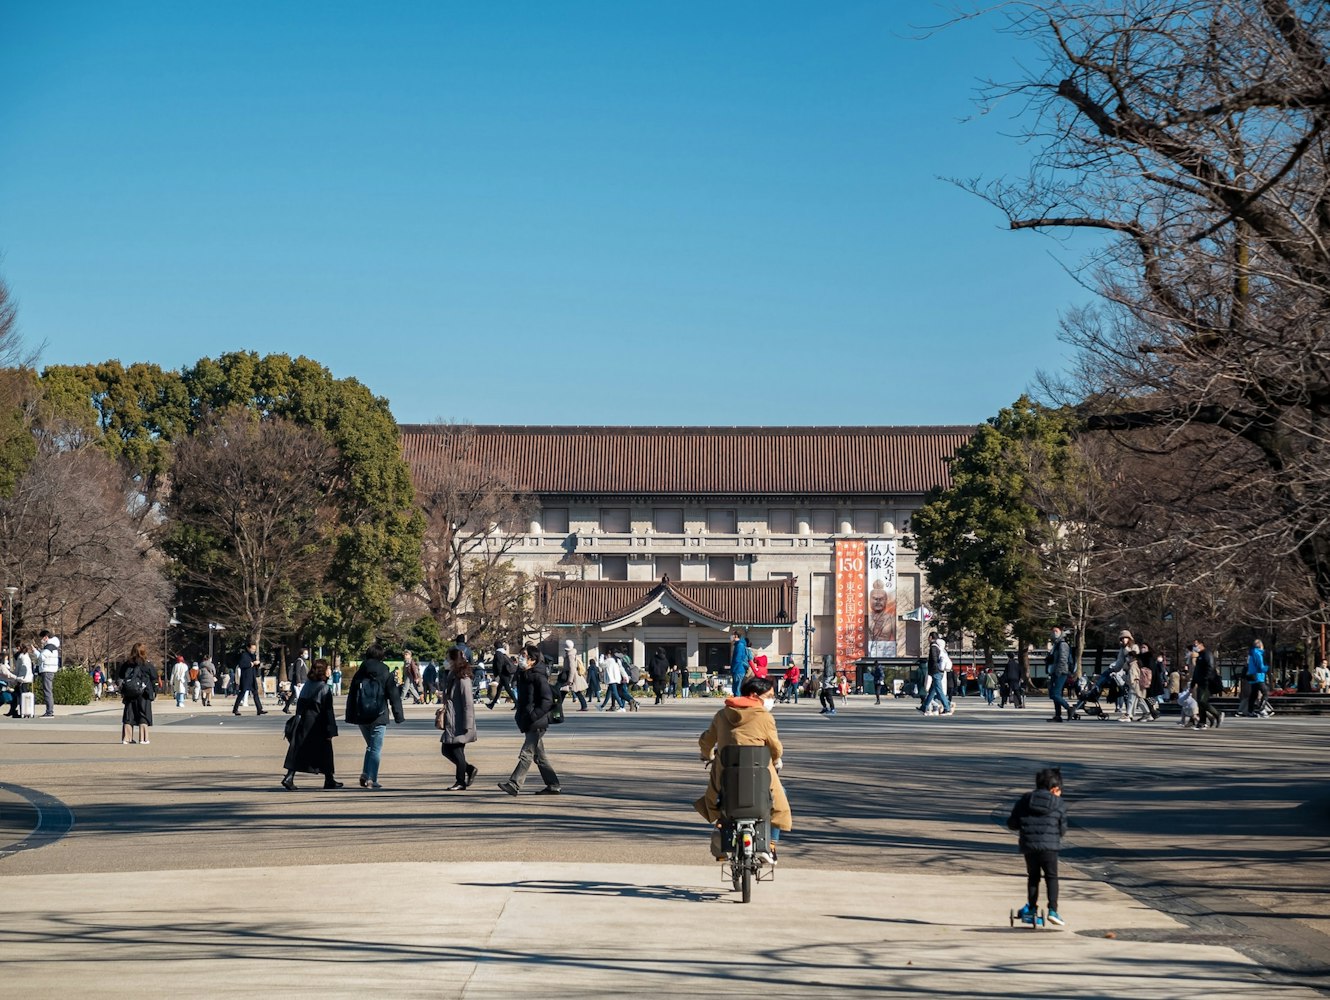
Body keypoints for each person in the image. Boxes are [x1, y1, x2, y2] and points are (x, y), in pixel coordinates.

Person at [694, 676, 792, 865]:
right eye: (770, 696)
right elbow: (775, 747)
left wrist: (707, 755)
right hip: (760, 773)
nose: (772, 700)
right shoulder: (764, 716)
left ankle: (721, 829)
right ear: (755, 695)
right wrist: (776, 759)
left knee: (719, 798)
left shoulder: (722, 715)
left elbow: (706, 740)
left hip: (726, 773)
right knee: (778, 797)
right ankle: (771, 844)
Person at [1006, 767, 1068, 927]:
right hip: (1050, 846)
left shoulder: (1025, 799)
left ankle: (1032, 908)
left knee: (1033, 877)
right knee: (1051, 877)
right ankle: (1053, 910)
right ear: (1055, 789)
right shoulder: (1059, 803)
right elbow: (1062, 829)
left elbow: (1012, 823)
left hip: (1029, 845)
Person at [497, 644, 562, 796]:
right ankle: (553, 785)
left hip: (537, 721)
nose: (520, 658)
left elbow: (547, 700)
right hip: (528, 720)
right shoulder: (523, 675)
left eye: (523, 656)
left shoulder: (538, 677)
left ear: (532, 660)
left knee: (526, 753)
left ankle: (514, 784)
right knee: (539, 756)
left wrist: (533, 715)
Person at [344, 643, 405, 789]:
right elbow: (393, 695)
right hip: (379, 714)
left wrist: (350, 715)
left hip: (361, 715)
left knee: (371, 746)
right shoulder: (385, 671)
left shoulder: (360, 671)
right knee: (375, 748)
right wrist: (398, 715)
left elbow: (353, 695)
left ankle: (366, 773)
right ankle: (372, 778)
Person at [280, 658, 341, 790]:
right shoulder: (324, 688)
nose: (330, 670)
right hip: (318, 723)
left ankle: (289, 777)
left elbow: (300, 704)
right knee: (326, 751)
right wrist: (331, 730)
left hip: (304, 722)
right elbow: (328, 711)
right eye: (328, 668)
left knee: (299, 750)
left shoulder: (308, 685)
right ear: (323, 671)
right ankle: (329, 779)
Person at [439, 647, 478, 791]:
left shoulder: (463, 678)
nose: (446, 661)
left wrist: (468, 723)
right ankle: (469, 769)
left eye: (448, 658)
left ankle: (460, 781)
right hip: (452, 720)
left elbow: (468, 703)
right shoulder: (452, 675)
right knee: (446, 749)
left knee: (457, 751)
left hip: (460, 721)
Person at [119, 642, 157, 745]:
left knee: (128, 715)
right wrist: (154, 692)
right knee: (143, 715)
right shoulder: (147, 665)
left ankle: (126, 738)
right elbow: (154, 678)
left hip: (129, 693)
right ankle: (143, 738)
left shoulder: (127, 664)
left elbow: (121, 675)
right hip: (143, 693)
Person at [1189, 639, 1223, 730]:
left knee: (1202, 701)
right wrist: (1193, 684)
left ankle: (1217, 714)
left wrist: (1206, 678)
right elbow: (1196, 671)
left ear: (1201, 644)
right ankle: (1202, 722)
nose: (1194, 646)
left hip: (1207, 682)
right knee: (1200, 703)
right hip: (1200, 682)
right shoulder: (1200, 656)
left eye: (1196, 644)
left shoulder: (1207, 654)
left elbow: (1210, 667)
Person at [919, 632, 954, 716]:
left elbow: (934, 659)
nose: (928, 639)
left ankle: (947, 708)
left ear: (931, 637)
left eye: (928, 637)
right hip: (939, 671)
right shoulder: (939, 647)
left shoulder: (933, 647)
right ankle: (924, 707)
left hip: (936, 671)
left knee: (939, 690)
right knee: (932, 691)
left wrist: (933, 669)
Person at [1046, 627, 1075, 722]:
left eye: (1056, 631)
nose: (1054, 633)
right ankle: (1058, 715)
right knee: (1056, 694)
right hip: (1055, 671)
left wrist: (1058, 671)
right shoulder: (1056, 644)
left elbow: (1063, 659)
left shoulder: (1062, 644)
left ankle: (1069, 708)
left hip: (1061, 672)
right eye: (1053, 631)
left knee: (1054, 694)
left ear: (1061, 632)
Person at [231, 642, 267, 716]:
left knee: (255, 693)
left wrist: (257, 664)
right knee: (242, 693)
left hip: (252, 676)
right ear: (248, 648)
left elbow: (255, 665)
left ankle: (259, 709)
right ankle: (235, 709)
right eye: (252, 649)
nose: (253, 650)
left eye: (254, 649)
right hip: (246, 677)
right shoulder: (244, 655)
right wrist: (252, 664)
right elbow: (241, 665)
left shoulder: (253, 656)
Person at [1240, 639, 1270, 717]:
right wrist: (1266, 668)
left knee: (1253, 694)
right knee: (1265, 692)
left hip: (1251, 676)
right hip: (1258, 676)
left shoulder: (1251, 654)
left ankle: (1250, 711)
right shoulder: (1258, 653)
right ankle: (1262, 709)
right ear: (1260, 646)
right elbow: (1260, 666)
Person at [486, 642, 519, 710]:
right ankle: (492, 704)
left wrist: (498, 674)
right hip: (506, 673)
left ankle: (517, 703)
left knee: (508, 689)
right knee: (499, 689)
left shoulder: (498, 654)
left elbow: (499, 664)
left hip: (504, 674)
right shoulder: (503, 653)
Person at [36, 630, 60, 718]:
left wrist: (36, 652)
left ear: (46, 637)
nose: (41, 640)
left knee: (47, 691)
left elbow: (41, 657)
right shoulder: (52, 646)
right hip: (49, 669)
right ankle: (49, 711)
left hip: (47, 670)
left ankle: (49, 712)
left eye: (42, 638)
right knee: (48, 690)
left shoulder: (49, 646)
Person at [282, 649, 310, 713]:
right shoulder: (299, 661)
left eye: (307, 653)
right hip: (299, 682)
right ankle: (300, 710)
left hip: (302, 681)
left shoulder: (303, 661)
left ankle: (286, 707)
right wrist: (298, 681)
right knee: (299, 696)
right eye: (305, 653)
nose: (307, 655)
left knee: (294, 695)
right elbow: (297, 672)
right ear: (301, 654)